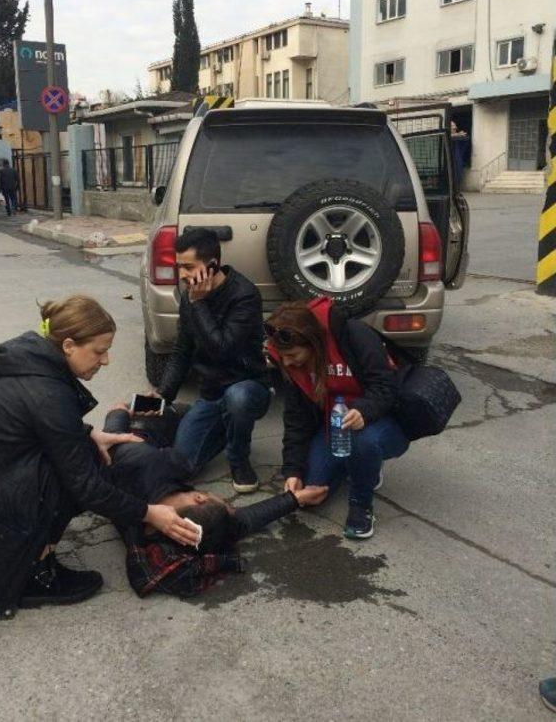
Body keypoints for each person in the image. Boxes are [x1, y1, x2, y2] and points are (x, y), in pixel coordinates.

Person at [0, 295, 200, 619]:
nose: (106, 360)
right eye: (99, 350)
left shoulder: (25, 359)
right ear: (68, 345)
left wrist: (88, 432)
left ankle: (32, 551)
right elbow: (87, 488)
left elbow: (27, 422)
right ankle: (36, 573)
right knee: (79, 473)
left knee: (84, 451)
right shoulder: (49, 393)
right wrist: (150, 513)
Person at [103, 405, 328, 597]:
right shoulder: (166, 529)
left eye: (226, 504)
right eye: (226, 503)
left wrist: (119, 410)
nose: (231, 506)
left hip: (134, 435)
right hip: (145, 435)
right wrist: (293, 499)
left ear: (198, 498)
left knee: (179, 424)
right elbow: (241, 523)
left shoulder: (143, 479)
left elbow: (113, 434)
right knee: (201, 423)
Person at [265, 297, 410, 540]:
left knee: (362, 440)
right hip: (334, 426)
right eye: (283, 357)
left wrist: (364, 410)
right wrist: (293, 471)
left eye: (292, 354)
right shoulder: (288, 362)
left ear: (313, 343)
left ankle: (361, 505)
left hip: (380, 421)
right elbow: (296, 419)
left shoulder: (354, 335)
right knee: (310, 494)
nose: (288, 362)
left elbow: (387, 387)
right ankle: (358, 464)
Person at [153, 227, 271, 493]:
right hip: (210, 394)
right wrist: (163, 396)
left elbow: (223, 350)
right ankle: (204, 421)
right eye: (179, 267)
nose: (182, 275)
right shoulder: (190, 297)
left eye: (188, 267)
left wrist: (199, 305)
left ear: (212, 265)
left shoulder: (244, 295)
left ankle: (239, 458)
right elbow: (181, 351)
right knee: (183, 466)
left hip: (248, 387)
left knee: (237, 398)